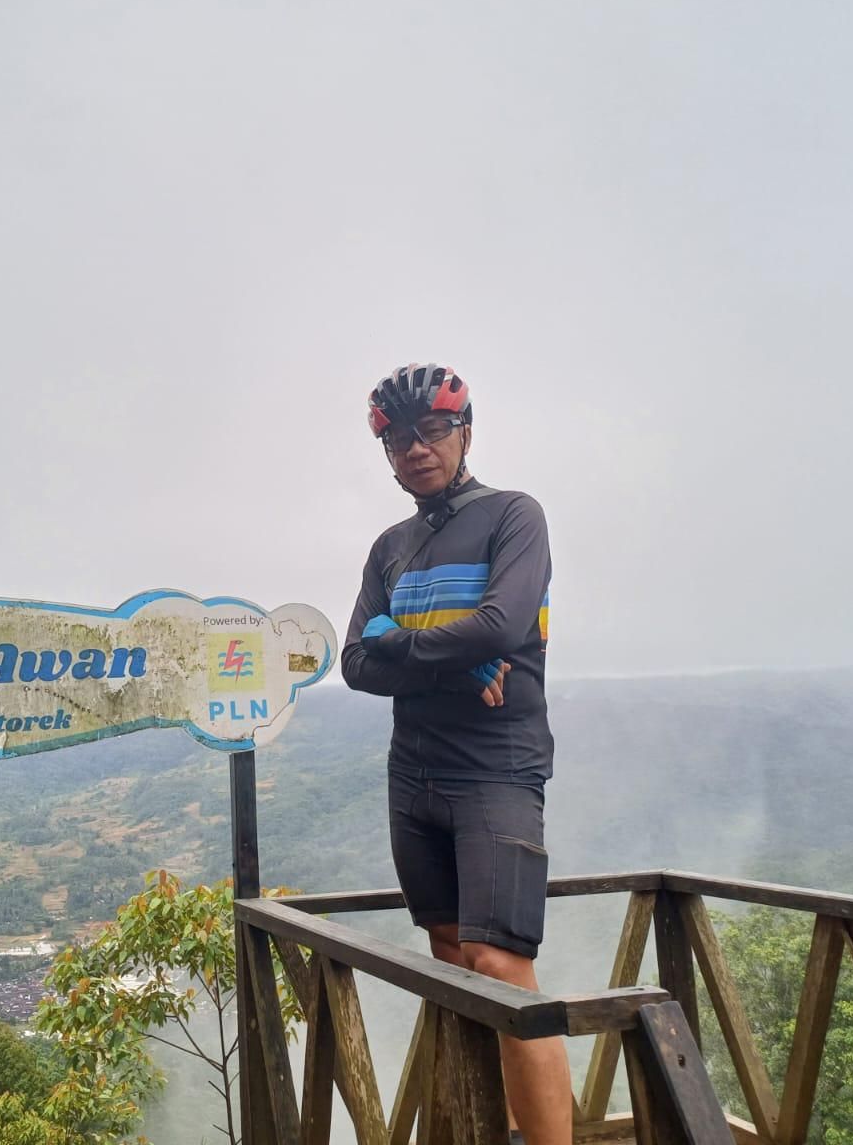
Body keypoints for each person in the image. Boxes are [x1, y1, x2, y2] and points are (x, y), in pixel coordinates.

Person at [342, 363, 570, 1145]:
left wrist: (396, 639)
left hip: (498, 764)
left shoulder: (514, 516)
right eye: (398, 438)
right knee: (448, 953)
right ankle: (490, 1130)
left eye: (433, 430)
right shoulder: (390, 548)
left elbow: (503, 624)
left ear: (464, 432)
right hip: (414, 772)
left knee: (499, 963)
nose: (416, 448)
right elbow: (354, 664)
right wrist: (454, 658)